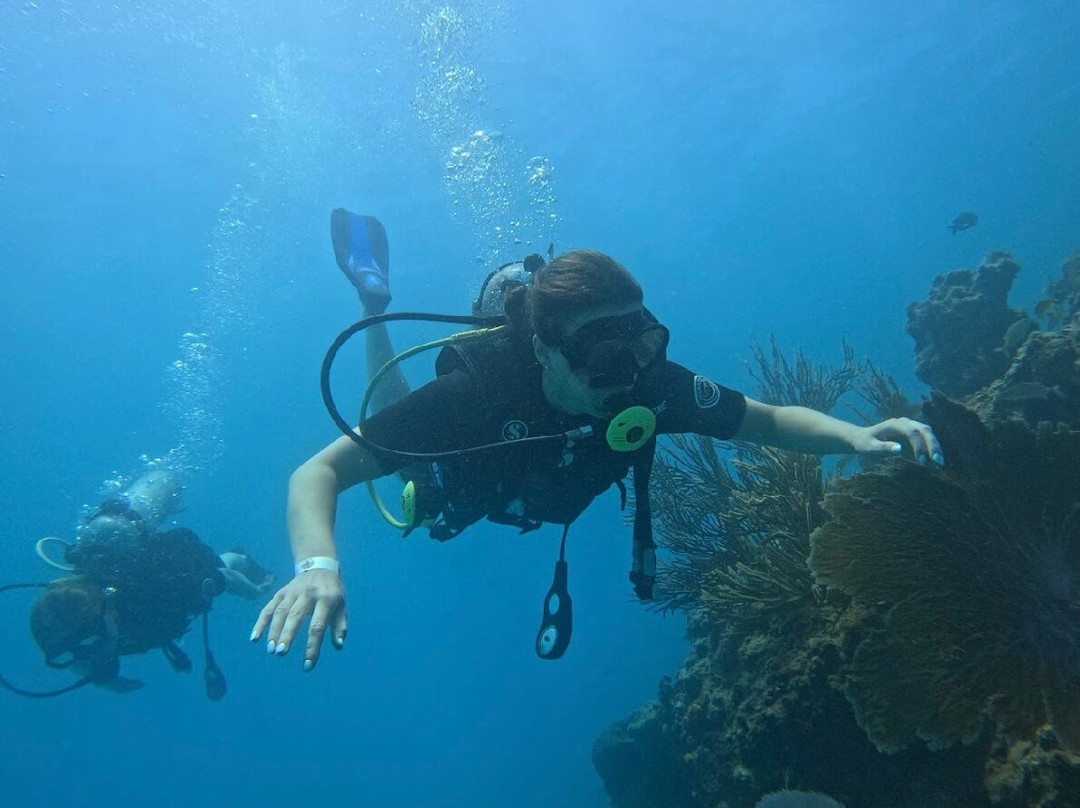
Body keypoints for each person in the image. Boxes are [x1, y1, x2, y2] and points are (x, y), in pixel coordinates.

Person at [252, 214, 944, 670]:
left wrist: (857, 433)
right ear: (545, 353)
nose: (632, 377)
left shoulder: (649, 382)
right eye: (606, 360)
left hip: (538, 480)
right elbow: (317, 473)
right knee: (397, 439)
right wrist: (317, 564)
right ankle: (375, 307)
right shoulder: (471, 396)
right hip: (467, 475)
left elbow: (764, 420)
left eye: (643, 345)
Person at [3, 469, 274, 700]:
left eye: (93, 643)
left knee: (223, 565)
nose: (90, 655)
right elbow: (77, 653)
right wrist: (104, 679)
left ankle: (239, 554)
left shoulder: (167, 584)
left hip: (164, 561)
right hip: (125, 568)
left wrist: (254, 592)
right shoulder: (65, 632)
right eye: (70, 653)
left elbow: (225, 579)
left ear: (109, 608)